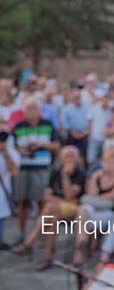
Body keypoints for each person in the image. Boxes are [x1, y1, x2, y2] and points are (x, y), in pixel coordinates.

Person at [12, 146, 86, 269]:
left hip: (75, 209)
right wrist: (63, 200)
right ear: (61, 159)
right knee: (52, 216)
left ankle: (30, 243)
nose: (69, 159)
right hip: (58, 208)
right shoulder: (55, 172)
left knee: (51, 207)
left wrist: (65, 176)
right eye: (66, 156)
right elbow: (46, 196)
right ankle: (47, 257)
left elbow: (70, 195)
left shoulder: (80, 173)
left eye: (71, 156)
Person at [11, 97, 61, 237]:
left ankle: (40, 232)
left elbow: (56, 145)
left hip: (42, 168)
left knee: (42, 202)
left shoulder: (48, 124)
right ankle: (22, 233)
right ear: (24, 111)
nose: (32, 112)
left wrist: (40, 145)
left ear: (40, 111)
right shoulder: (18, 126)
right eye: (29, 109)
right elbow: (13, 147)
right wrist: (24, 150)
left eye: (35, 109)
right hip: (23, 168)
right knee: (23, 202)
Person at [71, 148, 114, 268]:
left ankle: (80, 251)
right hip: (94, 209)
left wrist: (98, 197)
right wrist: (96, 178)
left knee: (84, 221)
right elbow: (92, 194)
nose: (108, 165)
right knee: (83, 209)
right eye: (106, 162)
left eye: (112, 162)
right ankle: (81, 244)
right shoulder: (97, 175)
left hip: (110, 212)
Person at [0, 130, 20, 249]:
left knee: (1, 216)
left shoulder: (11, 153)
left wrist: (5, 153)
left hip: (3, 191)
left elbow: (14, 171)